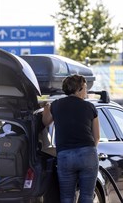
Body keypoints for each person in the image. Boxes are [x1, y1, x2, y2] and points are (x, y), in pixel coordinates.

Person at [42, 74, 100, 203]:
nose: (86, 91)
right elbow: (97, 137)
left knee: (67, 197)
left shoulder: (56, 105)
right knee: (87, 196)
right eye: (85, 88)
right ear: (79, 89)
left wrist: (46, 107)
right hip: (87, 153)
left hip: (65, 155)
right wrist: (90, 153)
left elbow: (46, 122)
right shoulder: (90, 107)